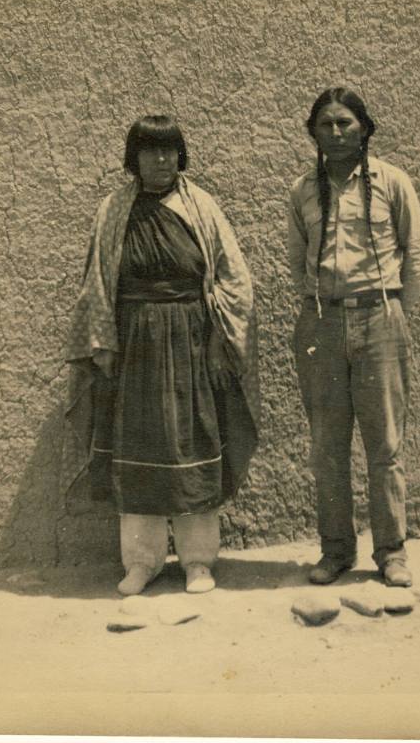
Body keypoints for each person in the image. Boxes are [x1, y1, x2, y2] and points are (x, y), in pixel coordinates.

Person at [64, 115, 259, 596]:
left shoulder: (201, 207)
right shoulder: (114, 209)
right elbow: (97, 282)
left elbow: (234, 279)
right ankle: (142, 562)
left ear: (180, 155)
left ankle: (197, 562)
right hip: (134, 345)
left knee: (194, 440)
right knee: (138, 447)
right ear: (134, 158)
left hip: (193, 340)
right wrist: (103, 344)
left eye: (169, 150)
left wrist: (219, 340)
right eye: (150, 151)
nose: (161, 159)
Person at [287, 87, 420, 588]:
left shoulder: (392, 182)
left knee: (384, 444)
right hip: (323, 323)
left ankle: (391, 552)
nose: (336, 132)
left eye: (345, 122)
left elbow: (417, 253)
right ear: (313, 132)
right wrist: (320, 312)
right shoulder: (303, 190)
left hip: (380, 320)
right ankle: (335, 550)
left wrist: (393, 312)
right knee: (327, 446)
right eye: (326, 124)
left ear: (364, 127)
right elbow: (298, 261)